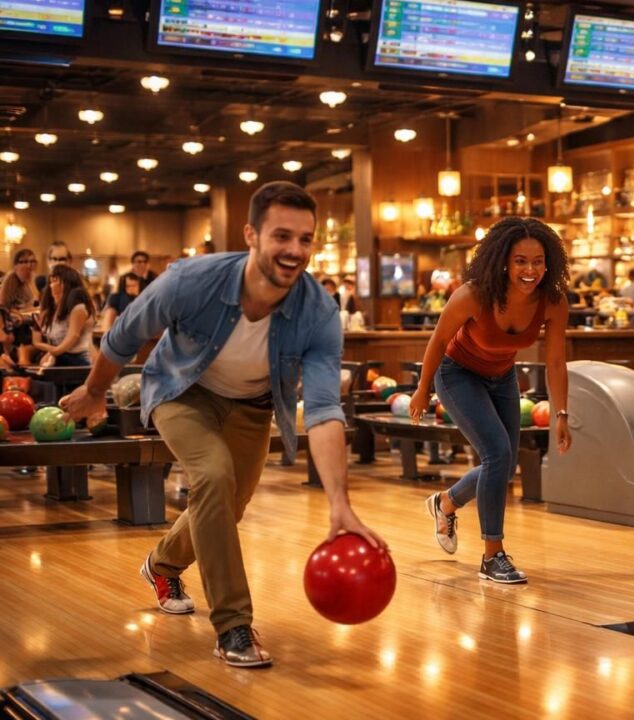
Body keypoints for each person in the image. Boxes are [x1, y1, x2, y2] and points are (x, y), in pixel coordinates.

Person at [60, 181, 384, 668]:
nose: (294, 250)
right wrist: (94, 390)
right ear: (251, 235)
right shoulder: (191, 280)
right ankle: (233, 624)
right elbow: (125, 335)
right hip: (181, 390)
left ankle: (162, 565)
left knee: (229, 503)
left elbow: (322, 410)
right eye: (281, 236)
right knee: (212, 475)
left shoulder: (318, 312)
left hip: (253, 405)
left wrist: (339, 504)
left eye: (305, 239)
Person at [409, 217, 573, 584]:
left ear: (549, 264)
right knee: (498, 455)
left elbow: (557, 361)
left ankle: (446, 503)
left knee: (503, 461)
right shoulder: (473, 294)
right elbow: (437, 342)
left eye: (537, 261)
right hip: (456, 374)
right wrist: (422, 389)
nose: (530, 270)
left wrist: (561, 412)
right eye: (520, 261)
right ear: (503, 261)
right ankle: (492, 555)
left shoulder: (553, 302)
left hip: (502, 379)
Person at [32, 264, 95, 367]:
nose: (51, 285)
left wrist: (52, 352)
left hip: (79, 359)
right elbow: (38, 341)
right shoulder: (51, 310)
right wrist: (50, 351)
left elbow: (72, 337)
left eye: (55, 280)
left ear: (66, 283)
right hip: (60, 356)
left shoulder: (78, 308)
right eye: (51, 281)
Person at [2, 249, 41, 364]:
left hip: (30, 322)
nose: (28, 265)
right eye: (23, 261)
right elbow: (4, 307)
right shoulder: (11, 279)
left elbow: (35, 303)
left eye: (31, 261)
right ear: (15, 265)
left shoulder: (30, 281)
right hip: (17, 327)